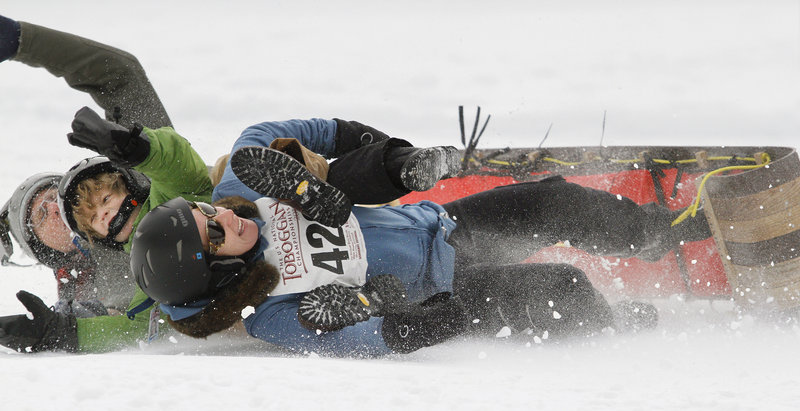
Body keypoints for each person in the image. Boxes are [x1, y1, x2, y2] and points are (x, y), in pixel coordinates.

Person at [126, 134, 712, 356]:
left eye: (208, 213)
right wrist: (401, 320)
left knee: (549, 202)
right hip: (445, 290)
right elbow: (358, 342)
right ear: (220, 274)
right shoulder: (272, 315)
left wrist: (360, 142)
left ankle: (662, 232)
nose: (225, 219)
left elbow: (256, 138)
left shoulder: (244, 192)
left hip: (444, 226)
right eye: (216, 235)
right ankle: (612, 322)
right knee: (564, 288)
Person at [0, 15, 172, 314]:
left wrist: (20, 41)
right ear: (49, 252)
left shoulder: (137, 177)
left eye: (54, 198)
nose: (55, 208)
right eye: (42, 215)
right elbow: (126, 325)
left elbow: (120, 76)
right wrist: (63, 330)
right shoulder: (83, 297)